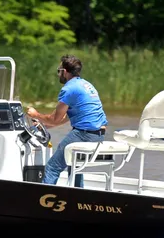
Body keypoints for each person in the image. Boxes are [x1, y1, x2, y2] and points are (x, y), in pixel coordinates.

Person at [26, 54, 108, 185]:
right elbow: (66, 117)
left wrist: (35, 114)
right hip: (99, 135)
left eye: (59, 71)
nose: (58, 74)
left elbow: (55, 119)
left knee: (52, 167)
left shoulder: (69, 88)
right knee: (74, 165)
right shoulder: (86, 85)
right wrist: (44, 125)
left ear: (64, 71)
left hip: (84, 134)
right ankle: (77, 194)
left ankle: (44, 196)